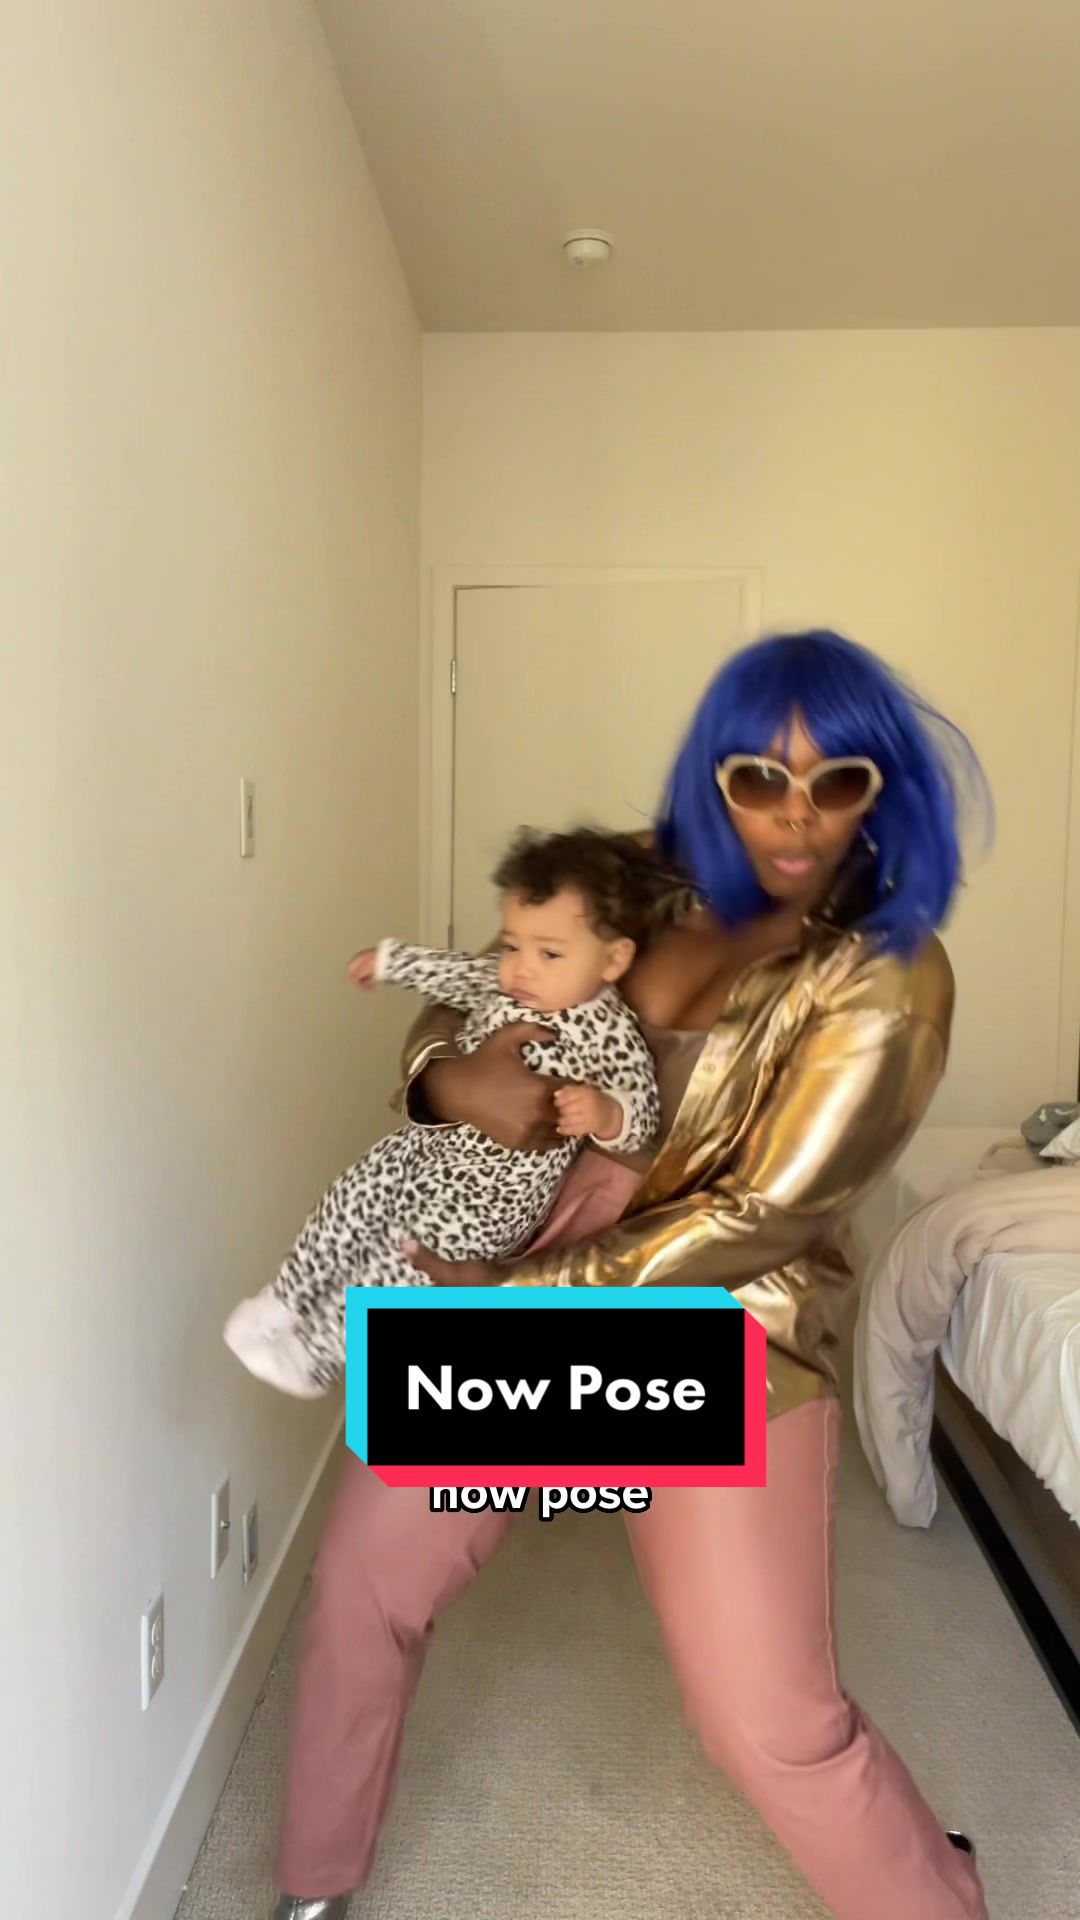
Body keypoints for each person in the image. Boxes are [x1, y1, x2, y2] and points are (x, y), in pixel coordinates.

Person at [268, 630, 993, 1920]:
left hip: (716, 1331)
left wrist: (512, 1304)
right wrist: (445, 1081)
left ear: (885, 791)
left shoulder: (891, 973)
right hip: (514, 1276)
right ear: (713, 775)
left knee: (767, 1723)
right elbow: (483, 988)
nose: (795, 814)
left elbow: (763, 1214)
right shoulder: (628, 883)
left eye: (837, 782)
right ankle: (312, 1891)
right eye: (758, 778)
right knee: (361, 1591)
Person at [225, 829, 668, 1398]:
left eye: (549, 953)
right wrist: (392, 962)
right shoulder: (506, 982)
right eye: (512, 945)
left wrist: (606, 1113)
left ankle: (318, 1355)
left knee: (401, 1266)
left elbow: (642, 1112)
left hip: (490, 1196)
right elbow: (453, 972)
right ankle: (283, 1301)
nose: (522, 968)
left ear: (613, 959)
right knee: (350, 1200)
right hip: (426, 1148)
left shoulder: (610, 1031)